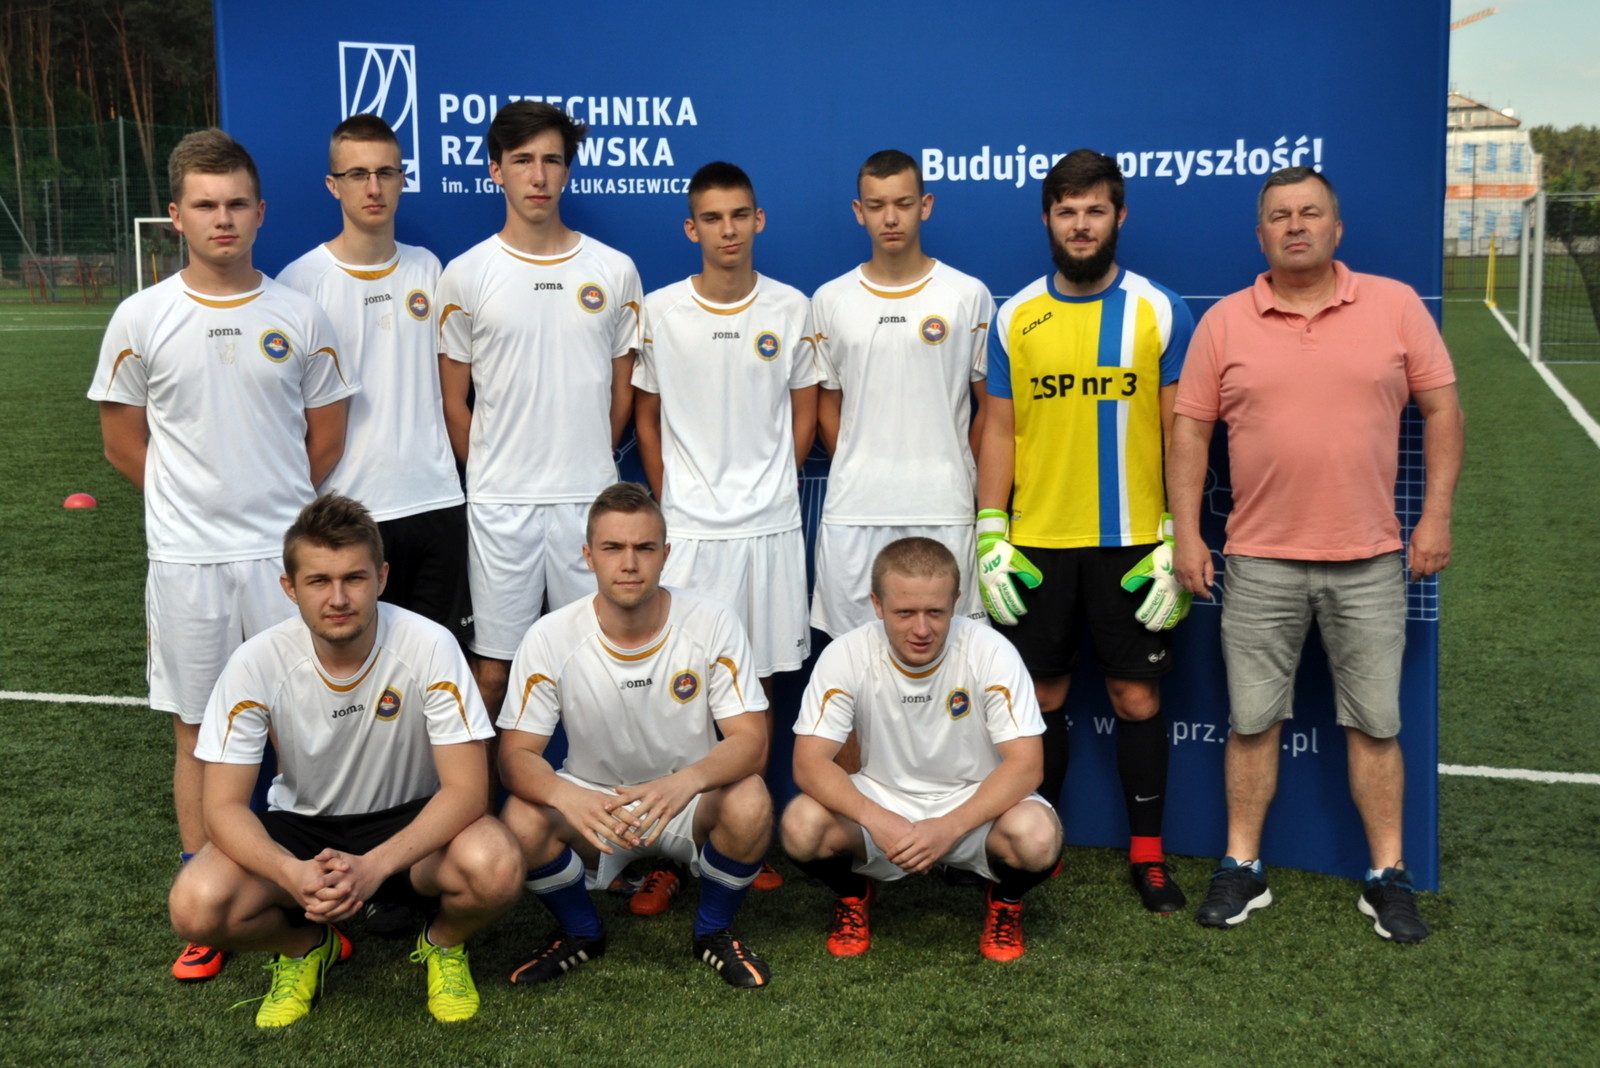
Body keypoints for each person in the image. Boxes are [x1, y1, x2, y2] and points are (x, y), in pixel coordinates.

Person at [1167, 166, 1463, 943]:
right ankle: (1242, 867)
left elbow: (1442, 411)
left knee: (1376, 725)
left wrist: (1434, 517)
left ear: (1337, 227)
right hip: (1257, 559)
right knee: (1252, 721)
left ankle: (1387, 876)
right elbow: (1190, 430)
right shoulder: (1225, 321)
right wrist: (1188, 533)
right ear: (1260, 234)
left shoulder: (1395, 306)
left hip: (1369, 559)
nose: (1295, 225)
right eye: (1279, 215)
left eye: (1309, 212)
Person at [88, 129, 356, 982]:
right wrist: (191, 509)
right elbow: (122, 444)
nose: (223, 218)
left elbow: (326, 436)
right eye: (205, 205)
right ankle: (204, 891)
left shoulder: (298, 315)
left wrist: (271, 515)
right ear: (176, 216)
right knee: (199, 733)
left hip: (283, 568)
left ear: (261, 211)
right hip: (187, 565)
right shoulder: (141, 318)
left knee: (307, 729)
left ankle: (318, 890)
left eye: (238, 202)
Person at [167, 495, 522, 1026]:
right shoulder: (255, 662)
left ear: (381, 577)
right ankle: (304, 946)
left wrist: (373, 866)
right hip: (302, 828)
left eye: (354, 578)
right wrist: (289, 872)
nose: (337, 598)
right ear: (290, 588)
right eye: (318, 581)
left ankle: (445, 942)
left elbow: (468, 791)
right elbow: (222, 807)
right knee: (195, 905)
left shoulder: (429, 645)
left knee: (496, 865)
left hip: (411, 826)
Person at [975, 149, 1195, 914]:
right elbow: (997, 429)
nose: (1080, 224)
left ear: (1119, 216)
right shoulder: (1015, 315)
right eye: (1066, 211)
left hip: (1134, 543)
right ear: (1047, 219)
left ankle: (1149, 856)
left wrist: (1177, 534)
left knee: (1136, 697)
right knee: (1041, 697)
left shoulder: (1160, 310)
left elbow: (1181, 432)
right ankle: (1045, 840)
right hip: (1038, 541)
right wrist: (990, 528)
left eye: (1094, 210)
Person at [497, 483, 775, 989]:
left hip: (686, 801)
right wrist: (567, 795)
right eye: (613, 548)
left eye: (644, 548)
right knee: (521, 816)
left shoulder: (712, 621)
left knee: (750, 799)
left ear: (665, 554)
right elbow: (516, 756)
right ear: (588, 556)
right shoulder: (550, 635)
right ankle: (581, 932)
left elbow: (750, 740)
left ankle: (712, 931)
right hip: (596, 807)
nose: (629, 563)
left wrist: (685, 782)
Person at [632, 160, 820, 901]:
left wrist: (772, 485)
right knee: (678, 692)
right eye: (712, 218)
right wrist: (673, 498)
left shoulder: (792, 308)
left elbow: (804, 410)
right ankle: (666, 853)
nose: (728, 230)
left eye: (740, 214)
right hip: (689, 533)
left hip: (768, 530)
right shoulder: (660, 310)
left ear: (759, 219)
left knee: (758, 688)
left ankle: (745, 842)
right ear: (692, 228)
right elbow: (646, 416)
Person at [437, 101, 642, 716]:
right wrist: (494, 472)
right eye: (522, 160)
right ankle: (490, 785)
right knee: (493, 675)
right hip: (501, 507)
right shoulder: (466, 274)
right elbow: (453, 401)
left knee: (601, 670)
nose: (538, 175)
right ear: (496, 170)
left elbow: (622, 393)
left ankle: (604, 786)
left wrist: (586, 456)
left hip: (588, 500)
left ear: (568, 170)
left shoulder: (614, 270)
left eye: (552, 160)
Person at [782, 538, 1062, 961]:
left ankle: (1005, 902)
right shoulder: (846, 654)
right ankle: (854, 894)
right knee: (800, 826)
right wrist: (876, 817)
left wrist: (948, 827)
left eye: (935, 611)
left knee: (1038, 839)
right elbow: (809, 764)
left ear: (956, 601)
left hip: (972, 799)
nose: (921, 629)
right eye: (904, 612)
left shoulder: (991, 651)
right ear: (877, 605)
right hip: (883, 797)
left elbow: (1026, 766)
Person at [277, 114, 470, 648]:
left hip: (434, 501)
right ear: (332, 184)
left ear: (403, 179)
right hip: (345, 512)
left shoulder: (430, 269)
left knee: (437, 667)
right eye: (357, 174)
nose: (373, 187)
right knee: (353, 669)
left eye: (386, 173)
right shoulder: (300, 283)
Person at [809, 149, 994, 640]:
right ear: (859, 211)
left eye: (903, 203)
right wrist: (861, 462)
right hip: (855, 510)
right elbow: (828, 405)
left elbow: (991, 409)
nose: (890, 218)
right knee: (852, 659)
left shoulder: (967, 295)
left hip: (944, 506)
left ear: (925, 205)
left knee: (950, 657)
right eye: (876, 205)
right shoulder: (830, 299)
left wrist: (959, 470)